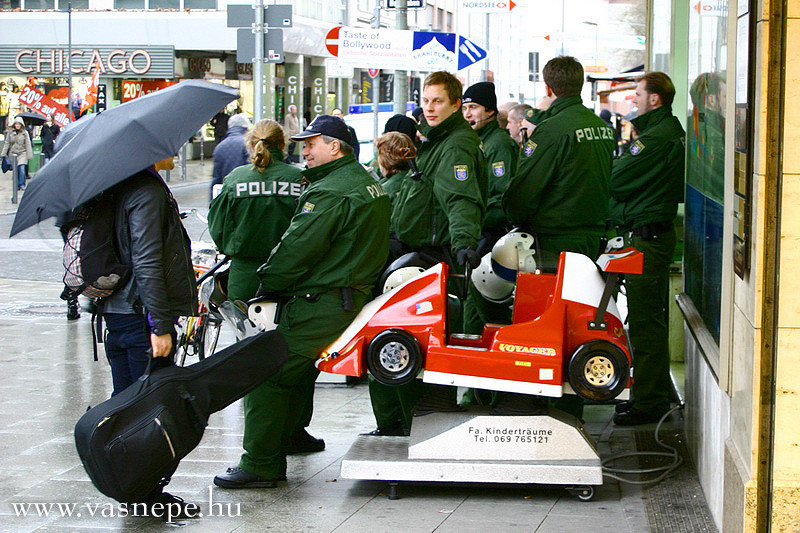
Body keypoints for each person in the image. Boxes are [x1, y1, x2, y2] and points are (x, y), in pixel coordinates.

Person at [213, 115, 390, 488]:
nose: (304, 151)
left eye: (311, 144)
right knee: (298, 372)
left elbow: (295, 250)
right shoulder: (363, 182)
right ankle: (290, 436)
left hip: (323, 302)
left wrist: (268, 282)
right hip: (348, 296)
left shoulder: (329, 191)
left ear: (334, 147)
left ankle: (260, 462)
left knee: (267, 371)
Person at [366, 71, 485, 435]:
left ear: (455, 104)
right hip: (422, 256)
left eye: (438, 101)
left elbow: (460, 198)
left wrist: (464, 243)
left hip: (435, 259)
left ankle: (415, 425)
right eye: (426, 100)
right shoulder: (436, 142)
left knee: (410, 342)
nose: (429, 108)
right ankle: (409, 423)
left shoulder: (455, 146)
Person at [502, 56, 615, 419]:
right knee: (580, 318)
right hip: (590, 236)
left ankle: (553, 408)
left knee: (550, 324)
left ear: (548, 88)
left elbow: (524, 190)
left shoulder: (552, 130)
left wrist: (513, 218)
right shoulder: (599, 127)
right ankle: (573, 408)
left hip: (555, 242)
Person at [99, 167, 199, 519]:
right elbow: (147, 260)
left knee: (128, 403)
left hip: (118, 311)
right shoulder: (145, 191)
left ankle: (135, 490)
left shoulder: (117, 185)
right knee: (146, 410)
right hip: (140, 314)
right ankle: (142, 493)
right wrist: (159, 324)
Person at [609, 72, 685, 426]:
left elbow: (617, 179)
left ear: (655, 99)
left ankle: (651, 402)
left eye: (638, 93)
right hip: (645, 237)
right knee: (645, 319)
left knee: (646, 322)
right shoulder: (658, 133)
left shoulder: (657, 138)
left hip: (648, 241)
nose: (633, 100)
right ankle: (649, 394)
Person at [210, 113, 250, 199]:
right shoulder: (248, 144)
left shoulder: (219, 147)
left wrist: (213, 204)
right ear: (245, 127)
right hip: (245, 194)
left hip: (227, 195)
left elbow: (216, 179)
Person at [1, 116, 33, 191]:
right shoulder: (10, 132)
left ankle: (22, 184)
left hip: (22, 153)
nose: (17, 125)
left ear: (21, 125)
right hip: (13, 154)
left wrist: (29, 155)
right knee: (16, 170)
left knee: (21, 168)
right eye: (16, 124)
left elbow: (28, 143)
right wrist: (3, 154)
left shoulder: (25, 133)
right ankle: (17, 185)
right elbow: (7, 143)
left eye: (19, 124)